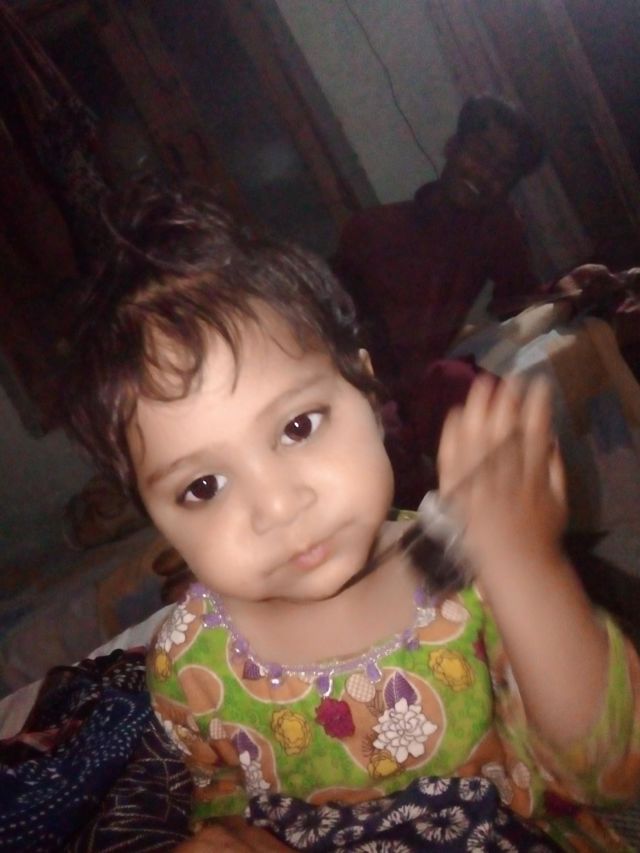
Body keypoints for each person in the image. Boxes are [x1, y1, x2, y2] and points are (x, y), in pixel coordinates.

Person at [66, 182, 640, 851]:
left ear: (366, 391)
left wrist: (527, 567)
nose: (278, 505)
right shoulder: (189, 662)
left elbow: (611, 771)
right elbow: (221, 794)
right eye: (203, 486)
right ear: (157, 522)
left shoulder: (470, 564)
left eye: (298, 426)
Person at [334, 95, 619, 503]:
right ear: (453, 147)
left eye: (503, 172)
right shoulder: (372, 229)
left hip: (424, 388)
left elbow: (514, 300)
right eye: (480, 154)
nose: (485, 175)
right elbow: (335, 330)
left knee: (486, 399)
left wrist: (567, 288)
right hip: (363, 388)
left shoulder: (495, 229)